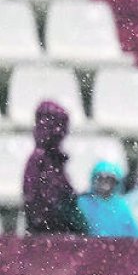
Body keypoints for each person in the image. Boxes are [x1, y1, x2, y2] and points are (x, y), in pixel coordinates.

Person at [23, 100, 88, 235]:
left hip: (54, 231)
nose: (62, 132)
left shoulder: (54, 160)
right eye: (59, 126)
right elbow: (37, 201)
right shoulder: (40, 159)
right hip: (47, 233)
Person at [77, 160, 138, 238]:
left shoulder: (122, 205)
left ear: (116, 182)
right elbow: (75, 229)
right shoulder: (83, 202)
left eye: (109, 179)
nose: (105, 182)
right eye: (100, 178)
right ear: (93, 179)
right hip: (88, 247)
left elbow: (135, 235)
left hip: (119, 248)